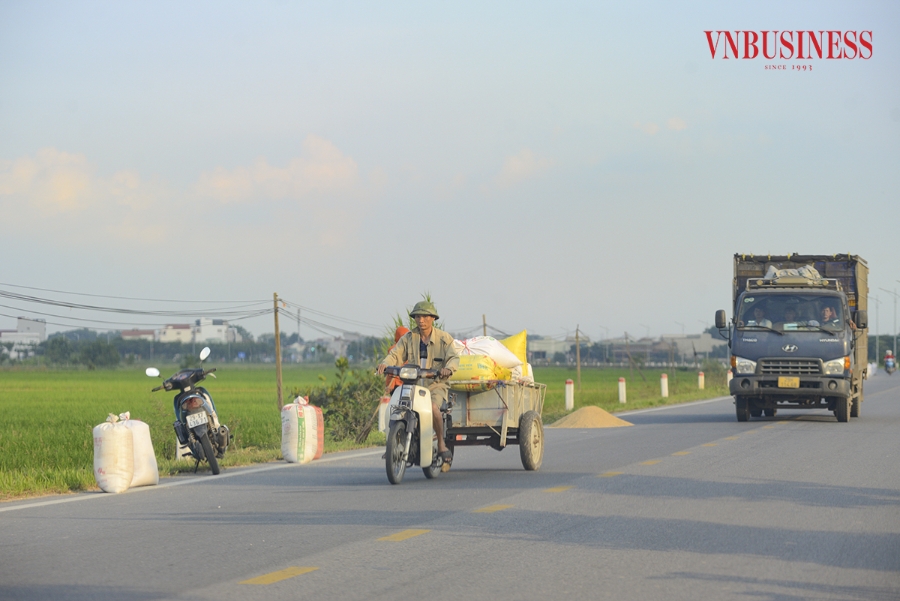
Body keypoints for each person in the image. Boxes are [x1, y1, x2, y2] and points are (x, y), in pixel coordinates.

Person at [377, 300, 459, 465]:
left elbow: (454, 357)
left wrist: (448, 369)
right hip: (412, 385)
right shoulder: (408, 338)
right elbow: (395, 354)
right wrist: (385, 363)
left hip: (436, 385)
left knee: (433, 407)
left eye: (424, 316)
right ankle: (392, 444)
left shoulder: (444, 338)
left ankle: (441, 445)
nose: (421, 320)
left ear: (432, 318)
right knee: (395, 408)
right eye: (417, 316)